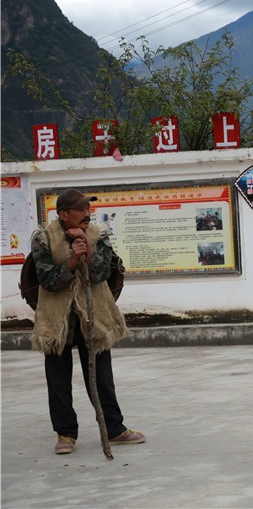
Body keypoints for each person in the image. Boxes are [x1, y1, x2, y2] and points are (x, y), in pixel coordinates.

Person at [30, 189, 146, 454]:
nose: (87, 213)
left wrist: (89, 252)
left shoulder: (99, 235)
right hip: (56, 319)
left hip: (95, 316)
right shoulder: (43, 239)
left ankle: (114, 428)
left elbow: (101, 274)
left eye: (88, 208)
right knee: (58, 379)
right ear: (63, 214)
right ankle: (65, 434)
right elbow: (47, 281)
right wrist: (72, 261)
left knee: (102, 376)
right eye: (80, 209)